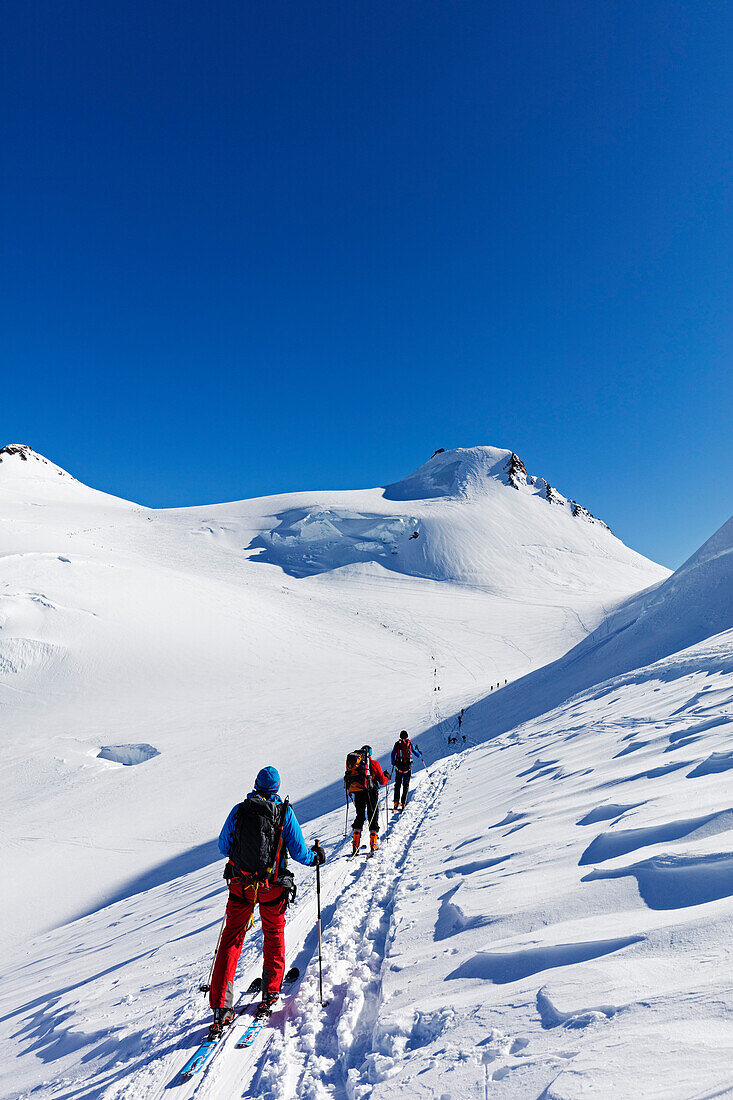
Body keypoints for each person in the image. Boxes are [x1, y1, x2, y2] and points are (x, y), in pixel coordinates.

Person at [208, 765, 325, 1034]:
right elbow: (299, 852)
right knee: (273, 934)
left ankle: (221, 1006)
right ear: (277, 788)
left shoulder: (240, 810)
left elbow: (223, 846)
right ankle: (271, 993)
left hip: (241, 885)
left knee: (232, 939)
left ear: (256, 785)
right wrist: (316, 856)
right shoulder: (284, 812)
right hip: (272, 887)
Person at [345, 745, 389, 854]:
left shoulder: (355, 765)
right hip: (371, 792)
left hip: (358, 792)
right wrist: (387, 776)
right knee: (373, 815)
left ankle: (355, 843)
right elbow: (383, 781)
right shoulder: (374, 764)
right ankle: (373, 843)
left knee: (360, 816)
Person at [391, 730, 423, 811]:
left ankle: (395, 802)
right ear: (407, 736)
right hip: (407, 768)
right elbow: (416, 754)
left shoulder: (397, 744)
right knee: (406, 785)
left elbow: (393, 754)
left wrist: (393, 762)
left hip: (398, 768)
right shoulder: (409, 744)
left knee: (397, 785)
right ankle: (403, 803)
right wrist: (420, 754)